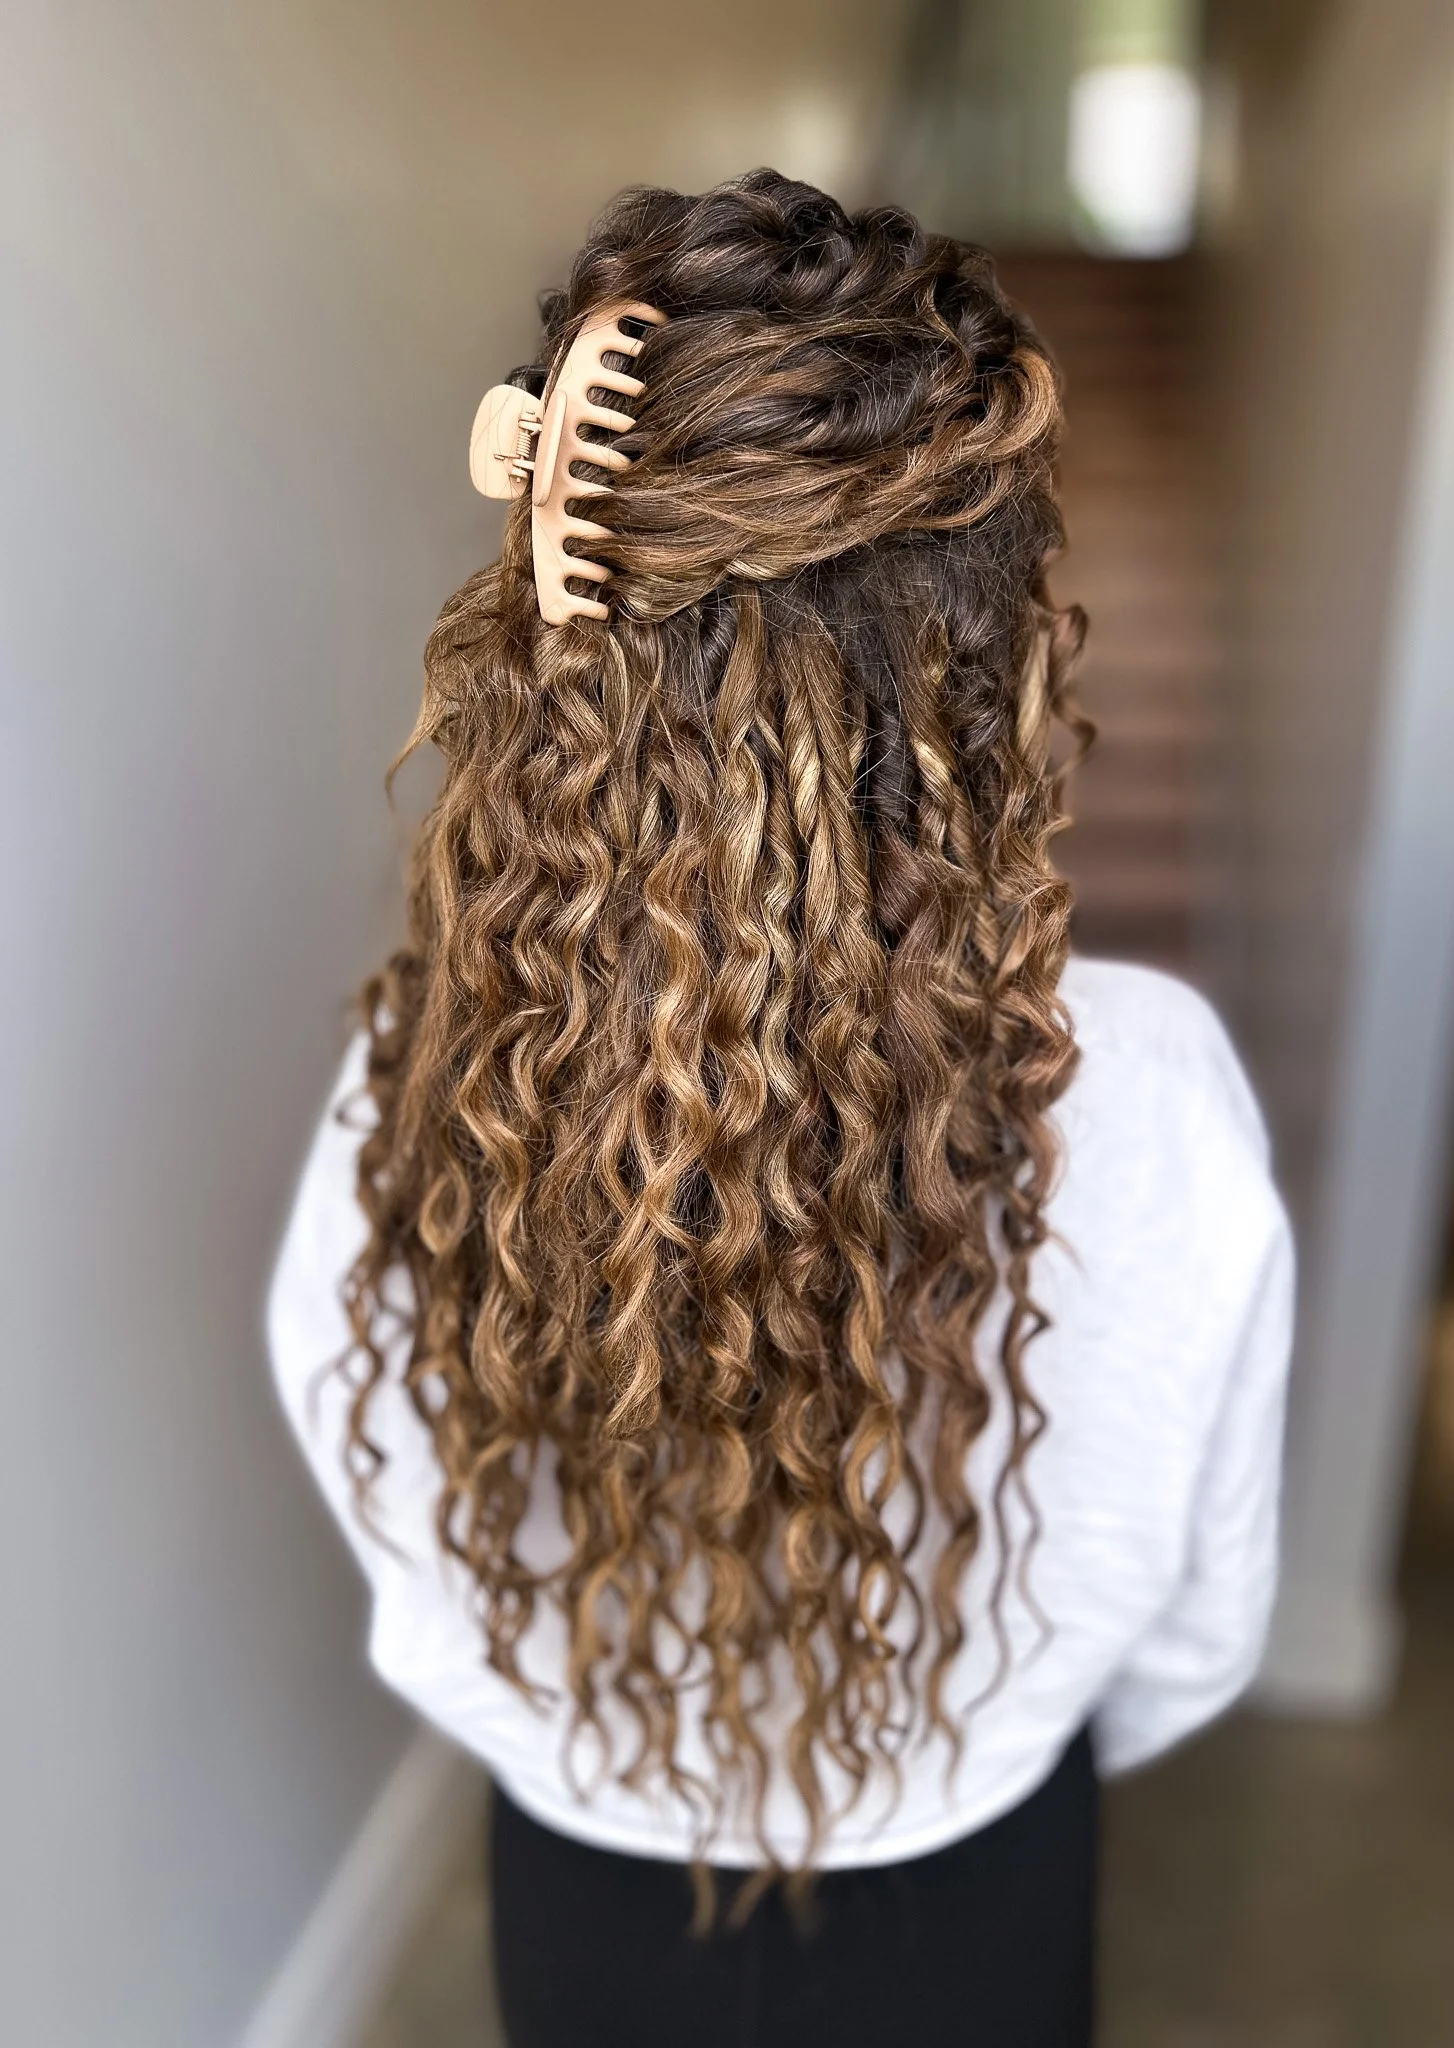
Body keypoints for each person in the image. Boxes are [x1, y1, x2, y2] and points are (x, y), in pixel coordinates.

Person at [267, 170, 1293, 2048]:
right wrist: (968, 1744)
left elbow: (404, 1530)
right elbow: (1199, 1622)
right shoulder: (1149, 1095)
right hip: (982, 1891)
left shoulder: (425, 1075)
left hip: (586, 1894)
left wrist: (610, 1748)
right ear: (992, 652)